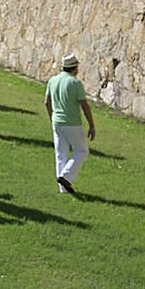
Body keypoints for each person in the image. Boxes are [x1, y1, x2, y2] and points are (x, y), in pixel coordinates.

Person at [45, 54, 96, 194]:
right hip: (72, 123)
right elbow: (84, 105)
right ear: (75, 68)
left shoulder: (53, 80)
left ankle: (63, 188)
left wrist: (52, 117)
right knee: (82, 151)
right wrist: (91, 124)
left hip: (57, 122)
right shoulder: (75, 83)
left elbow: (47, 102)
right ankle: (66, 177)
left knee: (61, 154)